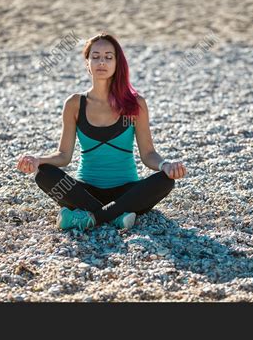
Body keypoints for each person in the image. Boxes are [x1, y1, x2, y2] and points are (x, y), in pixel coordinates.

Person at [16, 32, 187, 232]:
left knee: (165, 180)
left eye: (108, 57)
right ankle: (116, 216)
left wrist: (166, 165)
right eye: (95, 57)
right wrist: (38, 160)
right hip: (85, 192)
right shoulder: (74, 104)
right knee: (43, 173)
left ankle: (89, 217)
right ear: (87, 63)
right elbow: (63, 156)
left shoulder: (135, 104)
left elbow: (148, 154)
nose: (101, 62)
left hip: (127, 192)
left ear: (117, 63)